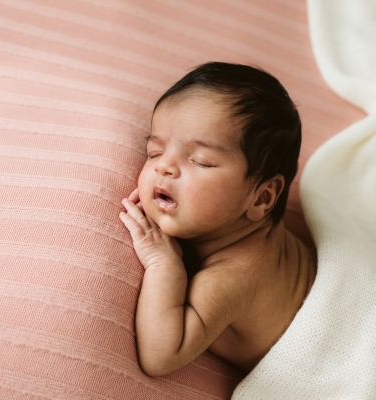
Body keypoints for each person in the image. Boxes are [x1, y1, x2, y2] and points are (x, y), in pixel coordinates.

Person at [119, 62, 317, 376]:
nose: (164, 168)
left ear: (262, 197)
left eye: (201, 161)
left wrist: (163, 265)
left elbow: (160, 356)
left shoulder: (232, 278)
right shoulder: (234, 228)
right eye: (154, 152)